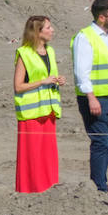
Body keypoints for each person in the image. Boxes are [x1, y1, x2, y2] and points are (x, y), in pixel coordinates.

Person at [72, 0, 108, 192]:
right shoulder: (85, 37)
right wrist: (91, 97)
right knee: (100, 142)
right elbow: (81, 72)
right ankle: (99, 186)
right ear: (102, 17)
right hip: (97, 100)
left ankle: (101, 182)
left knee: (107, 142)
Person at [12, 15, 65, 193]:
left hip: (48, 111)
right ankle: (31, 190)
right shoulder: (24, 53)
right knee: (32, 156)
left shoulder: (50, 51)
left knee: (48, 156)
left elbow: (49, 77)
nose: (52, 30)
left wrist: (57, 80)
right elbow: (18, 86)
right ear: (37, 31)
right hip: (31, 114)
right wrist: (42, 81)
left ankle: (49, 188)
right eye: (48, 27)